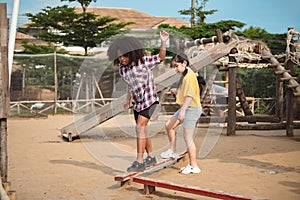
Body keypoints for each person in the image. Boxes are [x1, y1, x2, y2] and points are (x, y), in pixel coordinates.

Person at [107, 30, 169, 172]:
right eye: (120, 57)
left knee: (139, 128)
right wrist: (128, 100)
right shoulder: (123, 70)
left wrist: (164, 42)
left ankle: (139, 161)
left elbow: (161, 57)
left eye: (125, 56)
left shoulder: (143, 62)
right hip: (137, 102)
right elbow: (130, 85)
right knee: (143, 130)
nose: (122, 59)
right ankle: (151, 157)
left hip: (150, 100)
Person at [160, 53, 202, 174]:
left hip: (191, 109)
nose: (175, 69)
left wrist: (182, 111)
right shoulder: (186, 75)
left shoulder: (190, 76)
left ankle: (194, 165)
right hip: (187, 107)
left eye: (176, 66)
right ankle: (173, 150)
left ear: (184, 63)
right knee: (169, 125)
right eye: (173, 66)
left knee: (188, 138)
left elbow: (190, 96)